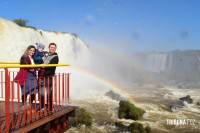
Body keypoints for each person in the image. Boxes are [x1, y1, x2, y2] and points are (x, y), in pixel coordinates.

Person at [14, 45, 38, 114]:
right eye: (31, 50)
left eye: (33, 51)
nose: (32, 52)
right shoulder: (24, 57)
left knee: (34, 90)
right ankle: (24, 107)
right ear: (28, 50)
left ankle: (29, 106)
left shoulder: (33, 58)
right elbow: (26, 64)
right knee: (25, 91)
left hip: (33, 75)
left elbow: (34, 66)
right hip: (26, 75)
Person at [40, 43, 59, 112]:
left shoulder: (55, 57)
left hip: (48, 77)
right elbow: (41, 60)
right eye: (51, 47)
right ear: (49, 48)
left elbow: (51, 66)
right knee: (41, 92)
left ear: (55, 48)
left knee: (49, 93)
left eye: (54, 47)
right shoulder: (46, 54)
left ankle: (50, 108)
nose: (52, 48)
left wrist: (42, 66)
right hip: (42, 76)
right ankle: (41, 107)